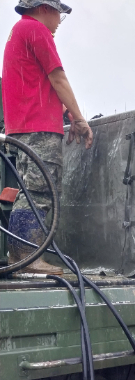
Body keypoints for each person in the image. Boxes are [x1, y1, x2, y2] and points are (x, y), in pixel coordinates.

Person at [2, 0, 93, 275]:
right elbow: (58, 78)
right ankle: (28, 258)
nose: (58, 23)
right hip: (38, 126)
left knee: (29, 190)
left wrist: (65, 110)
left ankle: (19, 256)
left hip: (24, 124)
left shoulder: (20, 32)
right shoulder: (36, 30)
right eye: (58, 15)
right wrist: (79, 118)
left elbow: (36, 81)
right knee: (40, 191)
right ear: (44, 8)